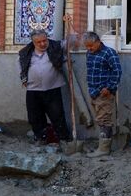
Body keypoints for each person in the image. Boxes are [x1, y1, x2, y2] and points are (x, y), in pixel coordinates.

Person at [17, 16, 75, 155]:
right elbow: (20, 65)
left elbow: (73, 41)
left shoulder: (55, 46)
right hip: (33, 90)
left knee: (57, 115)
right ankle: (40, 139)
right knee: (35, 116)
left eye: (44, 40)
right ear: (33, 42)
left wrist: (69, 25)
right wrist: (23, 78)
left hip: (53, 88)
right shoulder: (26, 52)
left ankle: (64, 140)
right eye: (39, 42)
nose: (43, 44)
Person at [81, 30, 122, 157]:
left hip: (104, 92)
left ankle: (104, 149)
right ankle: (103, 145)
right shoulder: (89, 53)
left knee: (104, 120)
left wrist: (109, 87)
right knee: (100, 118)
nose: (89, 48)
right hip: (93, 91)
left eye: (91, 46)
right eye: (86, 46)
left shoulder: (109, 53)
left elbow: (117, 71)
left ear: (98, 42)